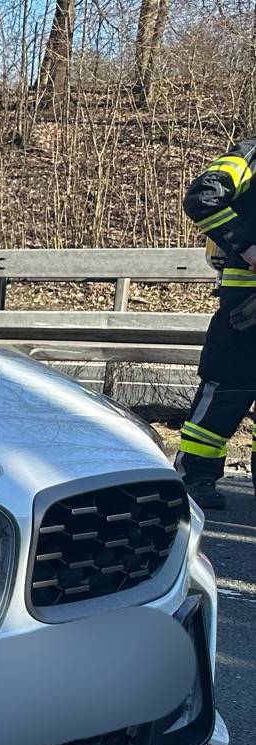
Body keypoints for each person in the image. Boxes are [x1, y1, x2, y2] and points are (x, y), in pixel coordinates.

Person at [176, 136, 256, 509]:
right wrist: (244, 244)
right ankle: (195, 475)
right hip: (248, 303)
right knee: (228, 388)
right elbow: (203, 198)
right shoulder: (247, 156)